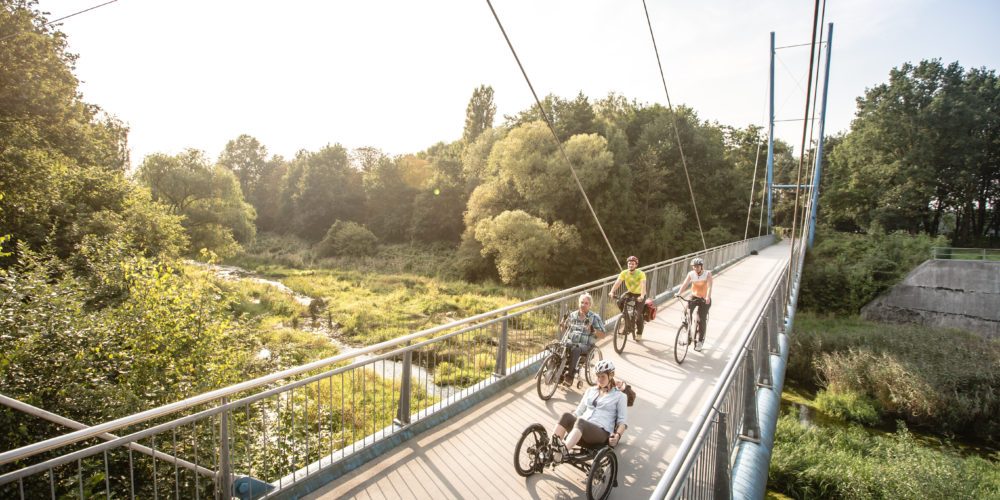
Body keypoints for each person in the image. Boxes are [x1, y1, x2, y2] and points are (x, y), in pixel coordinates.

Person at [550, 360, 628, 461]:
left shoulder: (620, 396)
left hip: (601, 433)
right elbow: (579, 411)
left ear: (611, 375)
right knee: (566, 416)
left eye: (603, 376)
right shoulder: (590, 391)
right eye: (598, 376)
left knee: (581, 422)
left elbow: (622, 422)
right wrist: (570, 420)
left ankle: (562, 452)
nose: (599, 379)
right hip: (580, 431)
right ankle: (551, 450)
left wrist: (617, 436)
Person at [559, 293, 606, 385]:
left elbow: (603, 335)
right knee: (557, 346)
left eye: (586, 303)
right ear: (579, 303)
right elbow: (563, 329)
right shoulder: (572, 315)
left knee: (575, 349)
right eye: (582, 302)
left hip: (586, 345)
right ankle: (556, 371)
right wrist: (562, 324)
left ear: (590, 305)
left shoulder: (594, 317)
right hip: (570, 342)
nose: (583, 305)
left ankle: (570, 377)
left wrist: (593, 329)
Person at [676, 257, 713, 351]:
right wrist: (679, 293)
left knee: (701, 319)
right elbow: (685, 284)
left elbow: (709, 286)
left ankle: (700, 341)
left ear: (701, 266)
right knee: (686, 311)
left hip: (704, 299)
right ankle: (688, 332)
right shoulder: (691, 274)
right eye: (694, 267)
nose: (695, 268)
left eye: (697, 266)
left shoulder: (707, 274)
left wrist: (708, 297)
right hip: (694, 296)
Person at [608, 255, 647, 339]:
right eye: (629, 263)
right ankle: (625, 316)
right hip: (631, 292)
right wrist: (612, 291)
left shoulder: (641, 273)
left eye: (633, 264)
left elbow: (643, 285)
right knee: (619, 301)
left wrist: (642, 296)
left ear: (636, 265)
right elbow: (618, 283)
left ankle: (639, 333)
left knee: (638, 314)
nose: (630, 265)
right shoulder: (624, 273)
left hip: (640, 294)